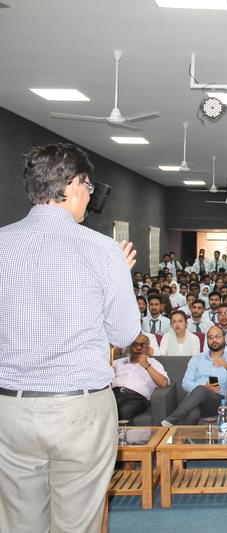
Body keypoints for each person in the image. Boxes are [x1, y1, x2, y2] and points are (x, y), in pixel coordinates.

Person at [0, 143, 141, 532]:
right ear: (74, 184)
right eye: (89, 187)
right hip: (79, 409)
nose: (89, 196)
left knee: (17, 521)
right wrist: (119, 276)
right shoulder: (102, 250)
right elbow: (126, 333)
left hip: (10, 409)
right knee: (77, 523)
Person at [161, 326, 227, 426]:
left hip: (216, 402)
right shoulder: (196, 359)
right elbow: (185, 383)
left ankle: (169, 421)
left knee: (201, 390)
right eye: (210, 337)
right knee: (193, 413)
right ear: (207, 340)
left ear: (224, 339)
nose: (214, 340)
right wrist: (204, 386)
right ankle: (183, 440)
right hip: (194, 401)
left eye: (218, 336)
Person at [112, 333, 170, 420]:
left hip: (136, 398)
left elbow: (164, 383)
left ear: (148, 348)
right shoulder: (118, 362)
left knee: (124, 411)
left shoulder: (154, 363)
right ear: (129, 347)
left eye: (142, 345)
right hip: (114, 395)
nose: (138, 348)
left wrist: (146, 366)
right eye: (135, 344)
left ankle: (131, 433)